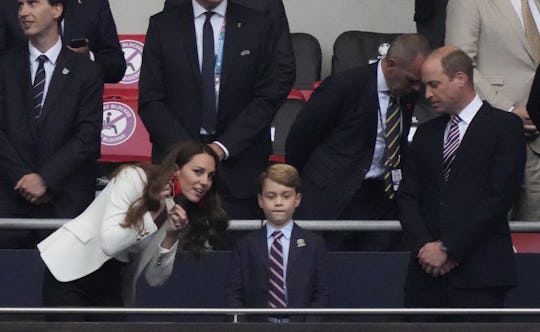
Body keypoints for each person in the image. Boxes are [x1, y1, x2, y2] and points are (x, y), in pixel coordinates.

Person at [397, 47, 525, 318]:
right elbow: (407, 195)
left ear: (460, 78)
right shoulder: (425, 134)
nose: (427, 94)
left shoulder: (505, 127)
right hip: (425, 276)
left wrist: (448, 248)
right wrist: (426, 249)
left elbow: (499, 196)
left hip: (480, 273)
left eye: (434, 85)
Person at [38, 141, 228, 319]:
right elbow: (110, 243)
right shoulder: (134, 177)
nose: (205, 182)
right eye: (198, 172)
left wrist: (172, 236)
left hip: (112, 278)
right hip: (71, 268)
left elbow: (156, 278)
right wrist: (153, 212)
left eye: (210, 176)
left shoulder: (177, 209)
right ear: (176, 170)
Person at [139, 0, 284, 220]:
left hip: (239, 169)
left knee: (237, 252)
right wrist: (190, 154)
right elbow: (151, 100)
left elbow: (268, 97)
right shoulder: (163, 25)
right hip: (177, 173)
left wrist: (222, 148)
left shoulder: (259, 25)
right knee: (172, 250)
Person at [285, 33, 431, 251]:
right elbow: (299, 139)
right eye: (412, 80)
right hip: (334, 198)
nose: (418, 89)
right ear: (391, 65)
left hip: (381, 197)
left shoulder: (406, 92)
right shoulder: (343, 86)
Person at [0, 0, 103, 248]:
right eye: (21, 5)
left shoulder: (87, 71)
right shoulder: (5, 66)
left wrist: (45, 178)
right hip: (10, 201)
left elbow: (87, 137)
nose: (24, 12)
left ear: (57, 10)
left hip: (65, 202)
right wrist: (23, 177)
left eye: (33, 4)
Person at [445, 0, 539, 220]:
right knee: (490, 227)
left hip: (536, 139)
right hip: (493, 129)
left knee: (534, 235)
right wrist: (508, 110)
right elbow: (459, 65)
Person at [225, 163, 328, 322]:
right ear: (260, 200)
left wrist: (309, 327)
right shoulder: (245, 245)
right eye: (271, 196)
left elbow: (321, 293)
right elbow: (234, 293)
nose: (278, 202)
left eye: (286, 196)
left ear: (297, 199)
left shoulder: (314, 244)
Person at [163, 0, 295, 102]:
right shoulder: (177, 3)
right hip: (184, 129)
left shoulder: (263, 4)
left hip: (247, 125)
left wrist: (248, 125)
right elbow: (160, 73)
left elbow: (282, 72)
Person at [0, 0, 126, 83]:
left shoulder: (94, 4)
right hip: (20, 109)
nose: (24, 11)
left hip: (77, 112)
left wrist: (88, 58)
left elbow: (117, 68)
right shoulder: (9, 5)